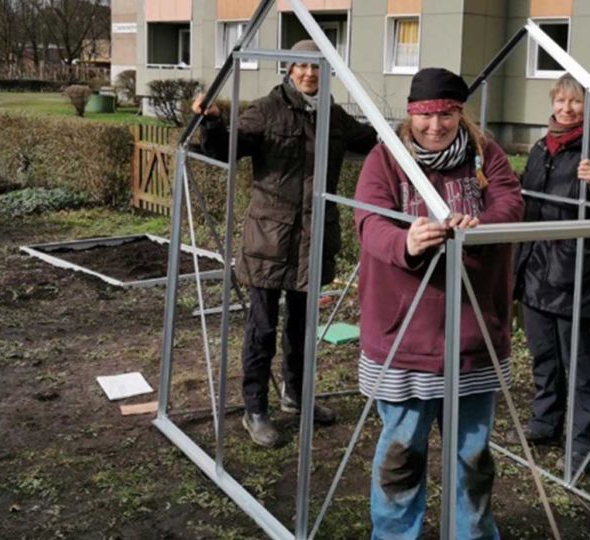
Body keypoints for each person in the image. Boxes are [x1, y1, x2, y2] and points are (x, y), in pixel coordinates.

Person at [353, 67, 523, 539]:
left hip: (473, 332)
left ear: (459, 113)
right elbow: (369, 220)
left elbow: (510, 202)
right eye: (426, 116)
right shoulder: (386, 159)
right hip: (406, 335)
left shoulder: (485, 156)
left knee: (472, 453)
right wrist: (406, 243)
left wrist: (481, 227)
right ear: (411, 116)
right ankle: (393, 536)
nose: (435, 125)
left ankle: (471, 534)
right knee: (401, 453)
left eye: (446, 114)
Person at [192, 40, 379, 448]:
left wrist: (415, 131)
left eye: (318, 68)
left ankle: (296, 396)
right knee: (262, 328)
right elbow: (226, 149)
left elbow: (375, 142)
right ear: (290, 69)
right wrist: (211, 123)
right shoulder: (266, 110)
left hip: (313, 241)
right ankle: (255, 409)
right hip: (269, 241)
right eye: (302, 66)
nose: (310, 74)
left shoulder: (333, 115)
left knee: (302, 326)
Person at [510, 74, 590, 470]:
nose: (566, 109)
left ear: (589, 106)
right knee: (543, 356)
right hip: (535, 269)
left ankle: (583, 445)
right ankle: (545, 424)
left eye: (575, 102)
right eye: (561, 100)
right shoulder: (543, 146)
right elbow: (529, 202)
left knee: (580, 366)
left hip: (575, 275)